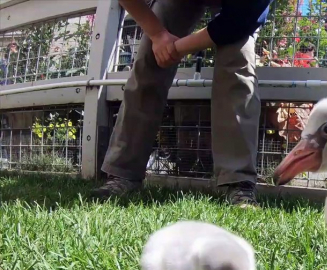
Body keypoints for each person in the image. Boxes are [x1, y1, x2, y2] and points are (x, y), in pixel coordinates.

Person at [91, 0, 273, 208]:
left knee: (238, 60)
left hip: (240, 10)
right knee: (149, 60)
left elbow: (239, 20)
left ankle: (238, 181)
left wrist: (174, 48)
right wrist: (158, 35)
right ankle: (123, 173)